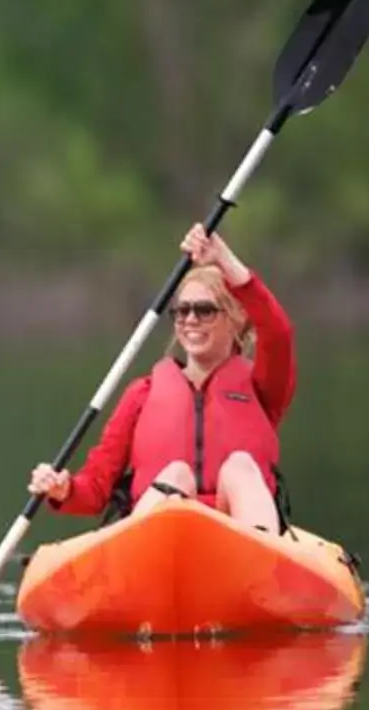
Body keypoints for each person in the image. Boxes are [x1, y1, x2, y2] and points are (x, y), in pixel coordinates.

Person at [29, 223, 293, 533]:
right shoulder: (142, 393)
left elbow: (278, 332)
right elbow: (97, 488)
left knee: (241, 467)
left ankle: (262, 554)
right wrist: (65, 489)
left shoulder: (261, 387)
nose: (190, 320)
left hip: (236, 537)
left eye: (204, 310)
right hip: (160, 540)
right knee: (175, 475)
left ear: (235, 318)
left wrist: (223, 259)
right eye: (182, 311)